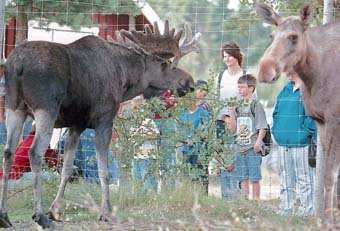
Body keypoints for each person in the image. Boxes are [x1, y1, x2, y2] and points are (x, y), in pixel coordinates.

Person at [272, 71, 316, 217]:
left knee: (305, 179)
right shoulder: (285, 90)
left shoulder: (308, 89)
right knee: (285, 178)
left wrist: (305, 132)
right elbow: (276, 112)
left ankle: (307, 211)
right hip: (283, 143)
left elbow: (313, 114)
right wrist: (276, 131)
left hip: (301, 144)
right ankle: (286, 208)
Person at [233, 74, 267, 200]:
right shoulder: (238, 105)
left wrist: (258, 142)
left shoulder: (256, 105)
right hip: (240, 147)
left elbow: (262, 126)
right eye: (239, 87)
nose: (240, 90)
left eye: (242, 87)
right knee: (242, 178)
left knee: (254, 178)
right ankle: (245, 202)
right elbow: (233, 128)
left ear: (251, 88)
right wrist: (231, 111)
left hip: (252, 148)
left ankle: (256, 202)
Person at [176, 80, 211, 193]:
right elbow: (180, 129)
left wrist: (195, 139)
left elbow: (206, 129)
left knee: (201, 174)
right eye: (200, 90)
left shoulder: (204, 109)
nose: (202, 93)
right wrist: (184, 140)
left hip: (200, 149)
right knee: (187, 174)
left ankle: (202, 196)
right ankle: (188, 196)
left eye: (205, 91)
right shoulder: (183, 113)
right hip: (186, 149)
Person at [130, 96, 159, 193]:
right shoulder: (133, 123)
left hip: (147, 156)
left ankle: (151, 199)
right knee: (137, 181)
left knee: (148, 180)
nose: (133, 111)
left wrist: (143, 137)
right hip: (136, 156)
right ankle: (139, 199)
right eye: (133, 108)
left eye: (135, 108)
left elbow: (156, 134)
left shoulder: (147, 121)